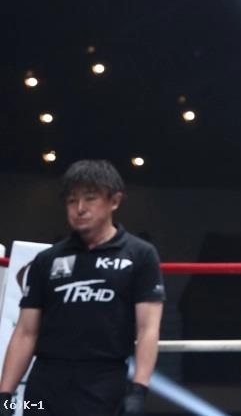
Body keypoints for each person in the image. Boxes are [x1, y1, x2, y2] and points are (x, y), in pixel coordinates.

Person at [0, 160, 165, 416]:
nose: (80, 208)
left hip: (104, 384)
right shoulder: (47, 260)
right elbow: (25, 332)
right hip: (44, 387)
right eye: (71, 200)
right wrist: (5, 396)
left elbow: (148, 329)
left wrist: (139, 389)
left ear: (114, 201)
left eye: (90, 198)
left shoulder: (140, 255)